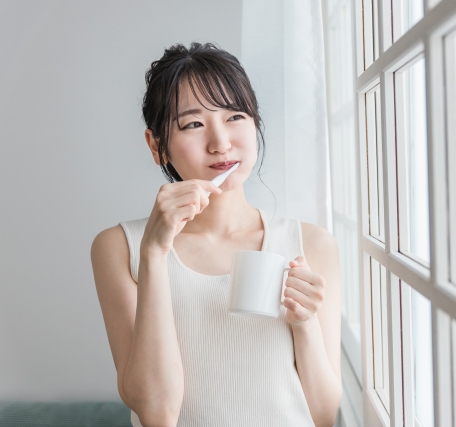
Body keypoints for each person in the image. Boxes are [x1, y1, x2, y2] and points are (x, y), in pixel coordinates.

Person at [90, 42, 342, 427]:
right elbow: (157, 412)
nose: (221, 143)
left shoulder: (312, 245)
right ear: (157, 146)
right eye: (193, 124)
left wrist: (304, 323)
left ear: (255, 124)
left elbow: (324, 416)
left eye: (235, 116)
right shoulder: (118, 247)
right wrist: (155, 254)